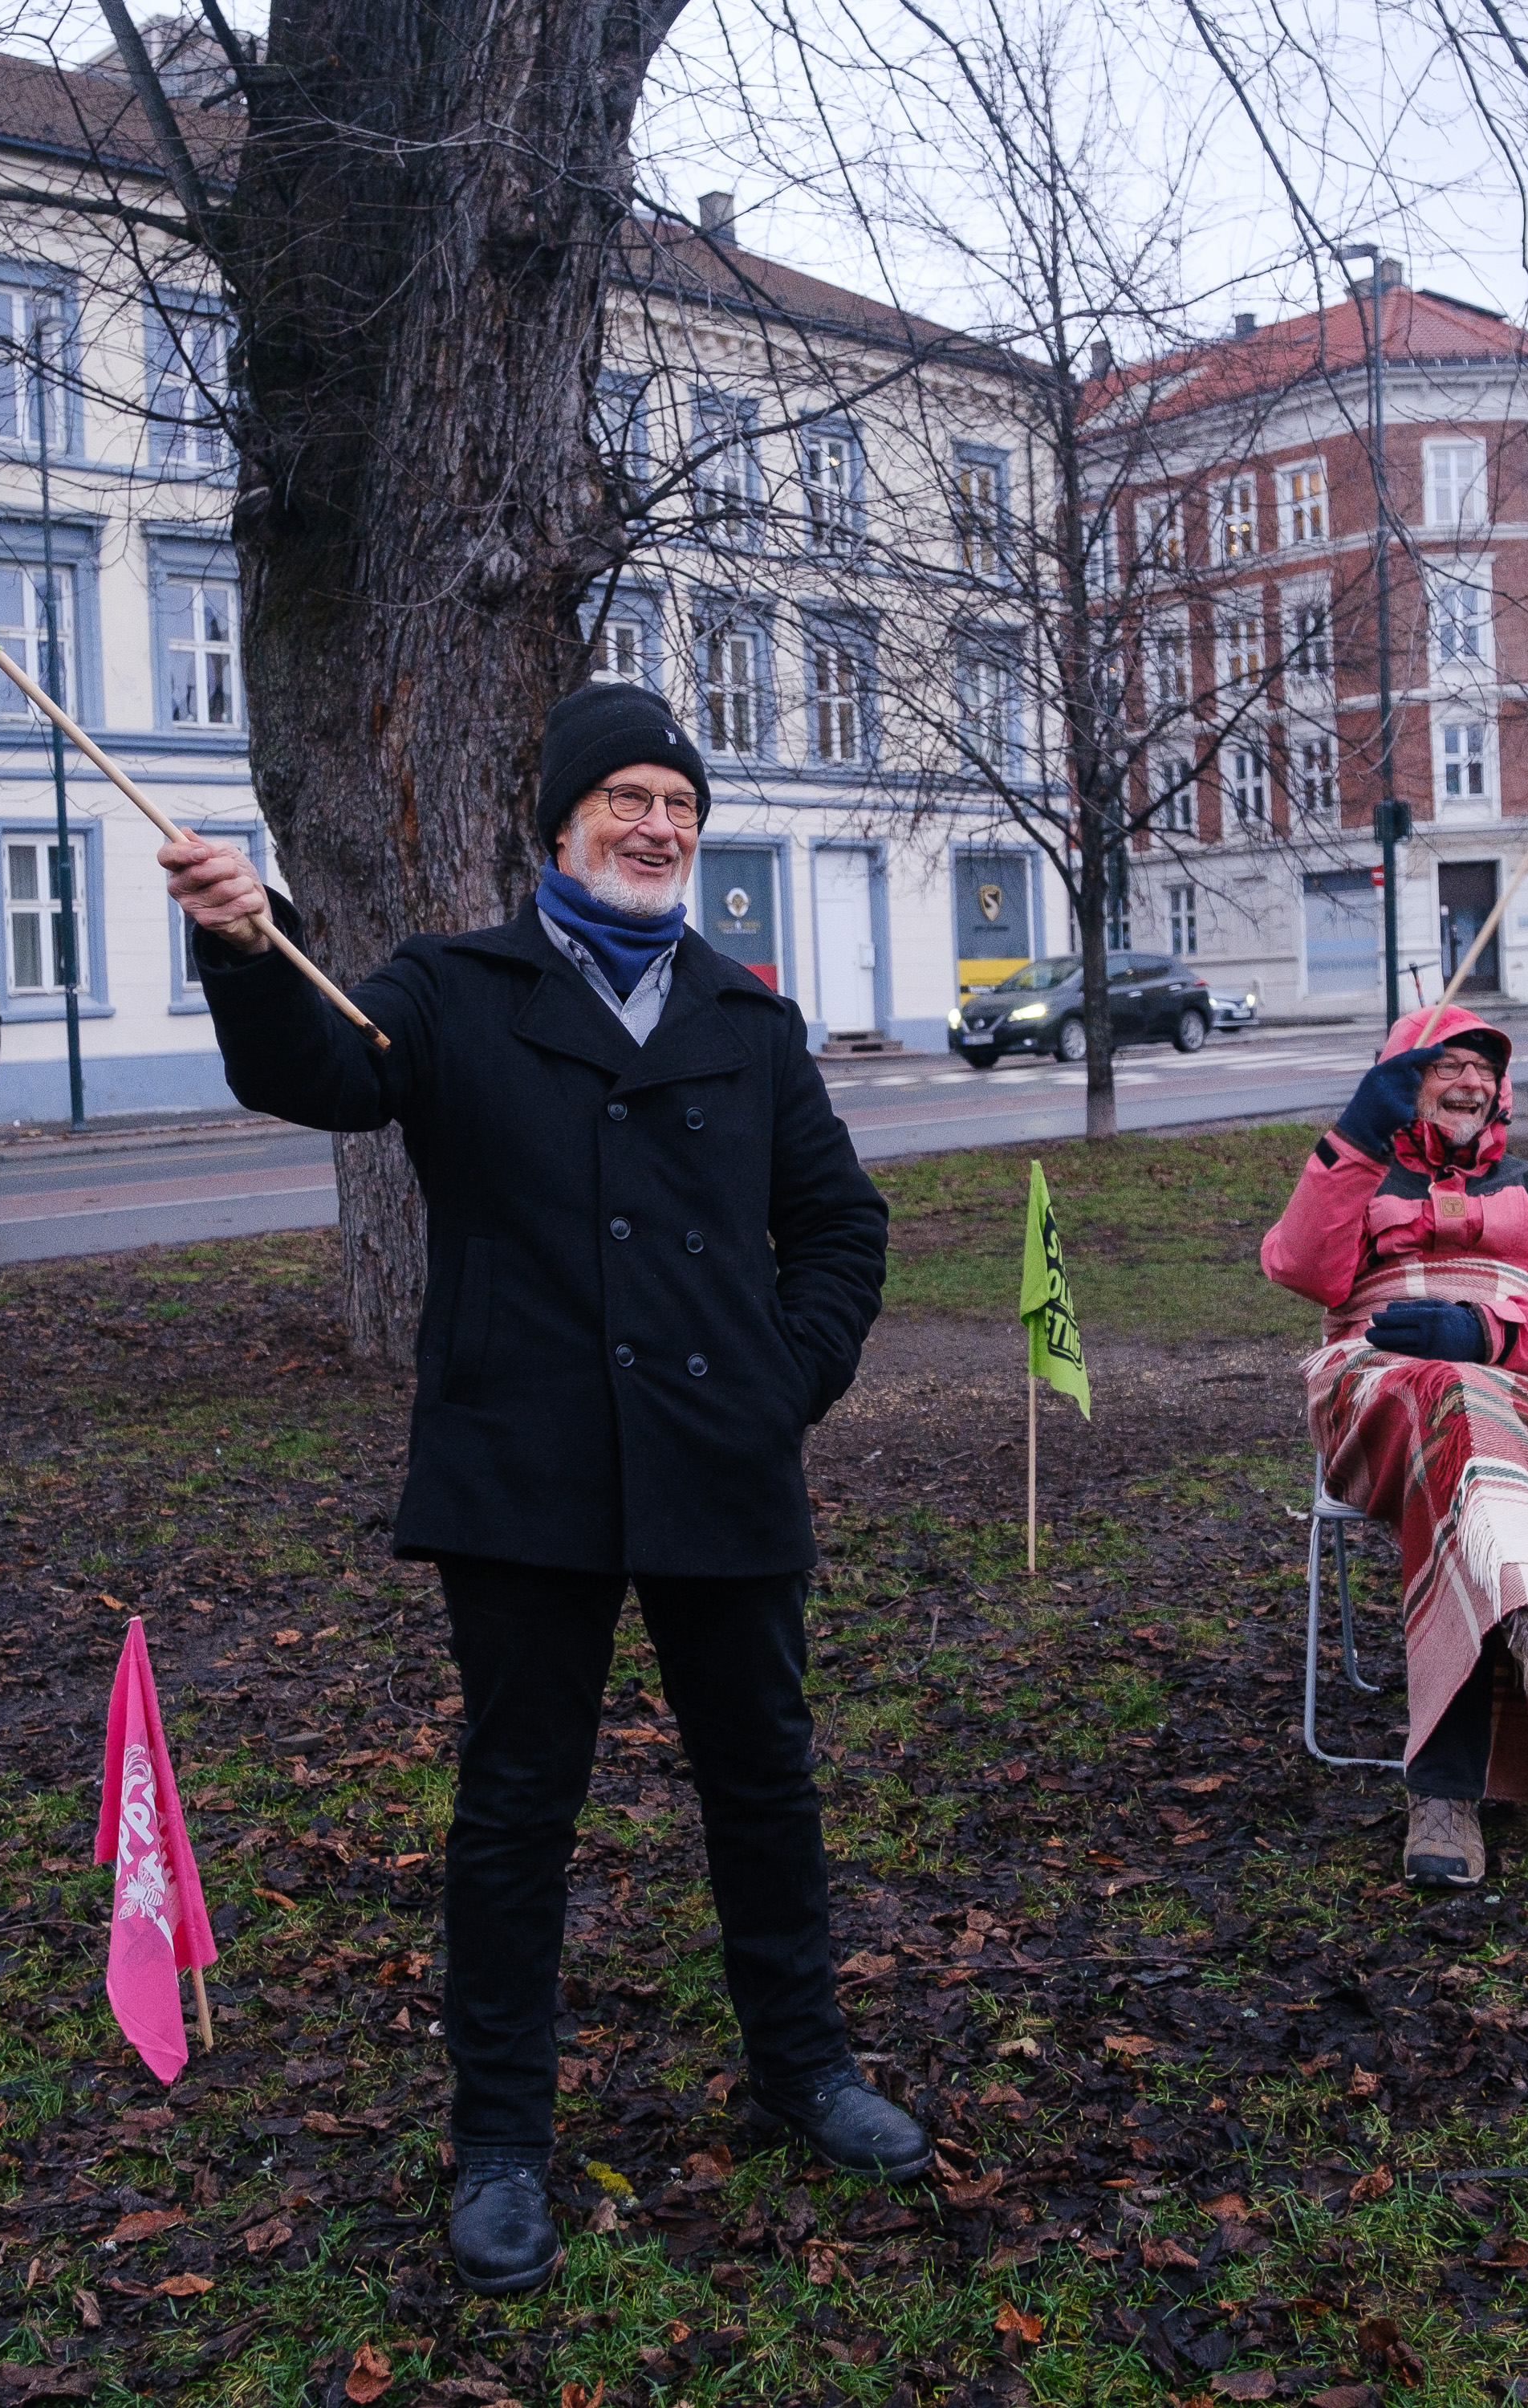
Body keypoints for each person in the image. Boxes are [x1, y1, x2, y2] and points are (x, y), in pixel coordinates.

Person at [157, 681, 923, 2298]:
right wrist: (241, 937)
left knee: (765, 1786)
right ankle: (501, 2141)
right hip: (526, 1473)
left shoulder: (745, 1015)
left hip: (723, 1467)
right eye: (629, 799)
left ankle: (805, 2069)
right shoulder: (453, 991)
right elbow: (321, 1073)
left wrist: (783, 1386)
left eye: (681, 807)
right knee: (517, 1815)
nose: (659, 827)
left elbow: (841, 1226)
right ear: (562, 821)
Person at [1259, 1003, 1528, 1885]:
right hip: (1372, 1386)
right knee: (1446, 1404)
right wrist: (1357, 1136)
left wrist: (1483, 1332)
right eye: (1444, 1064)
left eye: (1483, 1068)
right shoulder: (1360, 1177)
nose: (1469, 1081)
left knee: (1463, 1420)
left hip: (1513, 1389)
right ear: (1405, 1080)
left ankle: (1444, 1792)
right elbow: (1298, 1266)